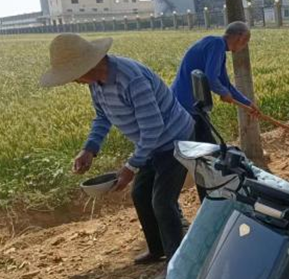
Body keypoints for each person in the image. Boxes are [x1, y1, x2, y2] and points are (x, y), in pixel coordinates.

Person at [40, 33, 194, 266]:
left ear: (87, 65)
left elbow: (153, 127)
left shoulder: (131, 79)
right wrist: (89, 149)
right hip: (151, 144)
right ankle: (158, 249)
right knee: (140, 195)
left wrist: (131, 166)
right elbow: (103, 116)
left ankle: (179, 263)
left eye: (73, 75)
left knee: (163, 202)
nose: (73, 81)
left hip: (174, 139)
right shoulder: (97, 84)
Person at [172, 21, 260, 146]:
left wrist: (248, 103)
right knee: (205, 147)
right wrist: (223, 93)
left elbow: (225, 83)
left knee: (204, 145)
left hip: (190, 105)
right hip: (186, 104)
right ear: (240, 38)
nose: (244, 47)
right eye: (246, 42)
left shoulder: (215, 45)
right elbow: (211, 78)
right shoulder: (217, 45)